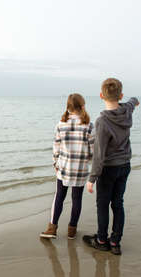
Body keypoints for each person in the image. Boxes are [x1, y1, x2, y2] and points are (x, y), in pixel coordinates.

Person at [83, 78, 139, 255]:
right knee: (118, 203)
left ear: (101, 95)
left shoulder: (102, 121)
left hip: (108, 169)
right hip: (124, 165)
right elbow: (133, 101)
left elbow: (99, 154)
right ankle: (115, 242)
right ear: (121, 95)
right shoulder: (127, 110)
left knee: (103, 204)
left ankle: (101, 240)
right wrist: (134, 101)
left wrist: (92, 178)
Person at [40, 93, 94, 240]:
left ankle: (52, 228)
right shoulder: (88, 125)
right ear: (82, 106)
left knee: (59, 197)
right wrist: (87, 160)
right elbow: (93, 150)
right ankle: (72, 230)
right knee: (77, 199)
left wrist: (55, 163)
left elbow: (56, 147)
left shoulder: (61, 124)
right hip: (80, 169)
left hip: (63, 168)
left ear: (68, 107)